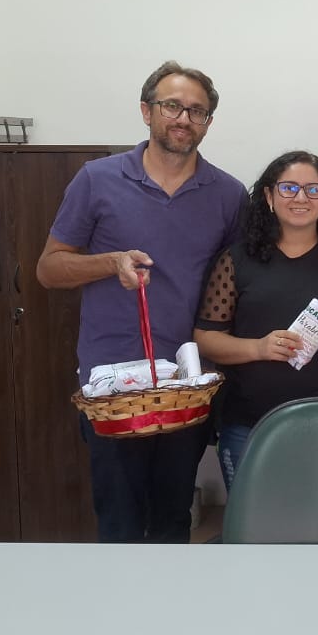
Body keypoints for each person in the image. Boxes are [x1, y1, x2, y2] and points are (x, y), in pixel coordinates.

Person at [36, 61, 246, 544]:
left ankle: (168, 595)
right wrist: (109, 263)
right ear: (147, 111)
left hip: (187, 387)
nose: (183, 118)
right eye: (172, 106)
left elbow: (238, 285)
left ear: (208, 123)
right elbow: (48, 268)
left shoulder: (229, 194)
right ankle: (121, 595)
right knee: (120, 523)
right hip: (113, 388)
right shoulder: (97, 179)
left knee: (173, 518)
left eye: (197, 111)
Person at [195, 150, 318, 488]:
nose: (301, 197)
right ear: (269, 197)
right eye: (288, 188)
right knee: (253, 518)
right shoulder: (236, 261)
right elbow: (206, 338)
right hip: (250, 423)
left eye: (313, 189)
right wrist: (258, 348)